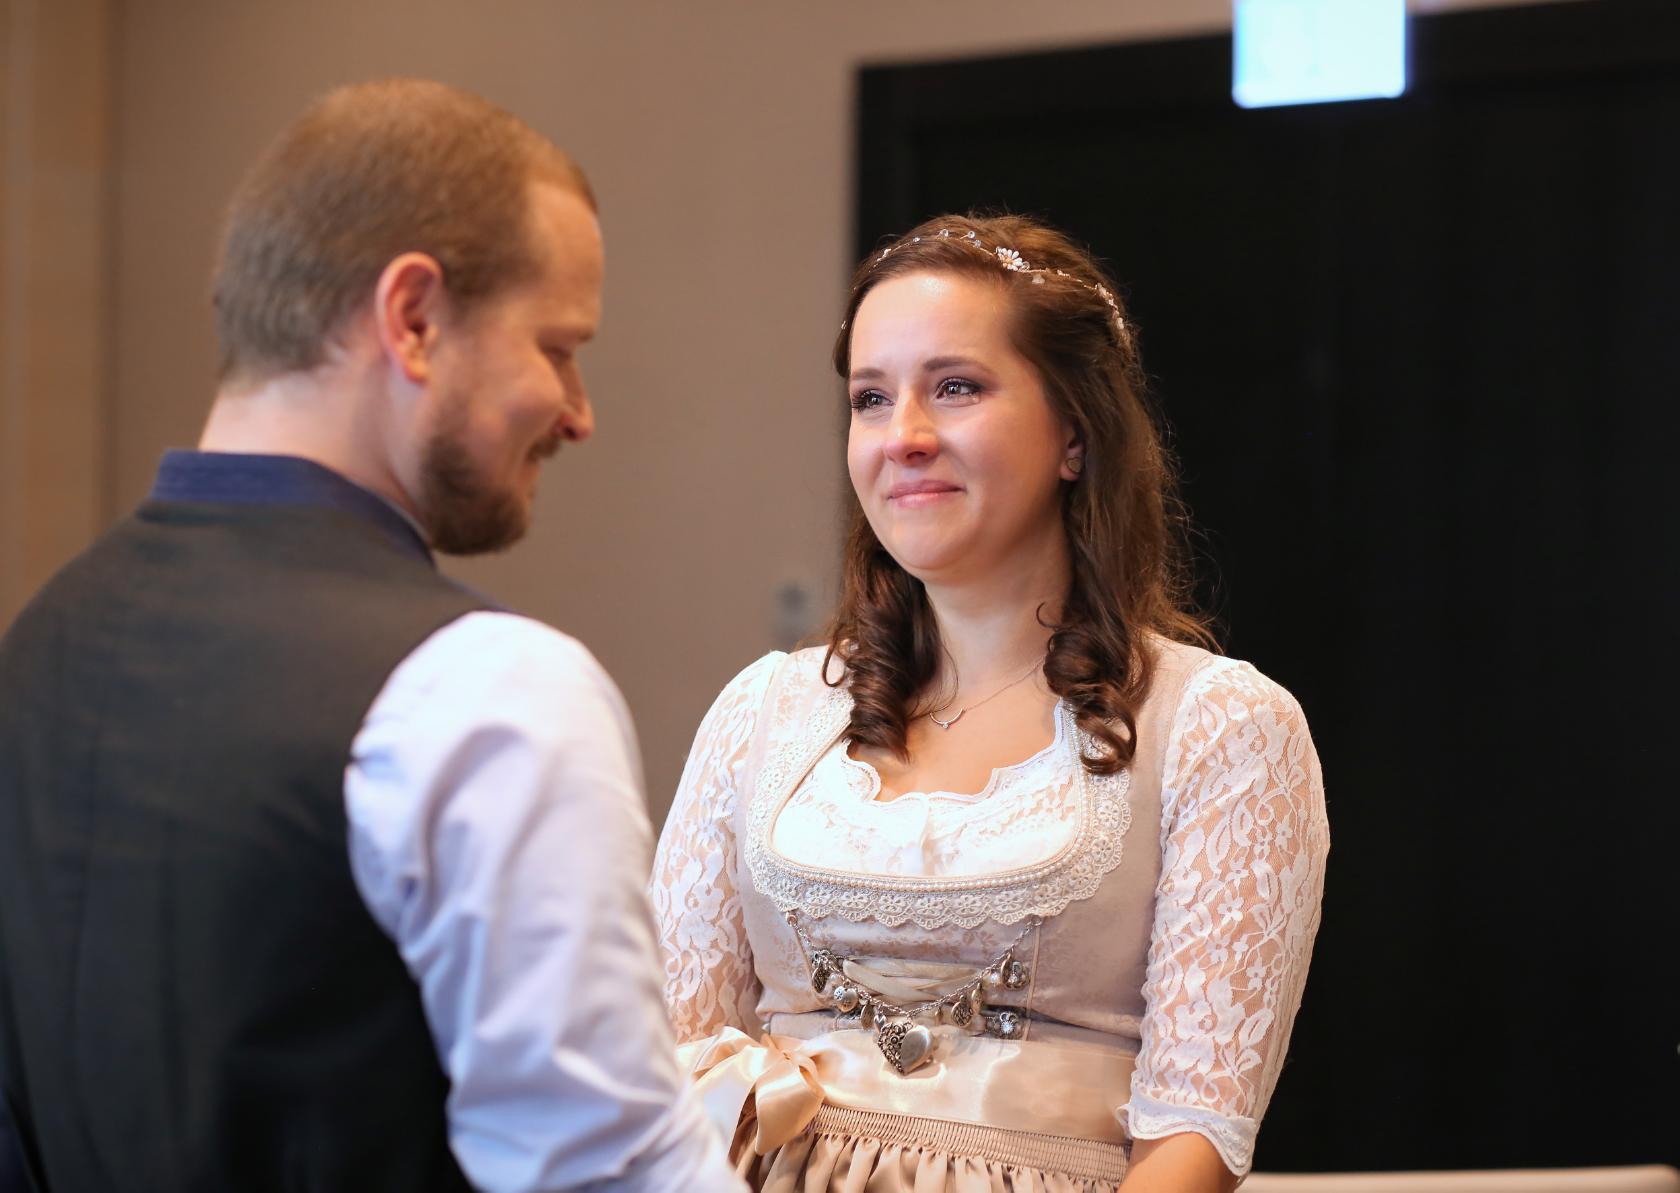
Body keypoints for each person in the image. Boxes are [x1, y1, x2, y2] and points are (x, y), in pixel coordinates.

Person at [0, 78, 742, 1192]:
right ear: (413, 317)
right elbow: (604, 1170)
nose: (579, 410)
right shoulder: (487, 687)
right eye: (557, 344)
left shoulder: (44, 636)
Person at [650, 214, 1330, 1192]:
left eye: (956, 387)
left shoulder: (1221, 726)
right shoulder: (762, 712)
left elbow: (1195, 1137)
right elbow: (668, 1063)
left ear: (1074, 432)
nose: (905, 437)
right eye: (871, 399)